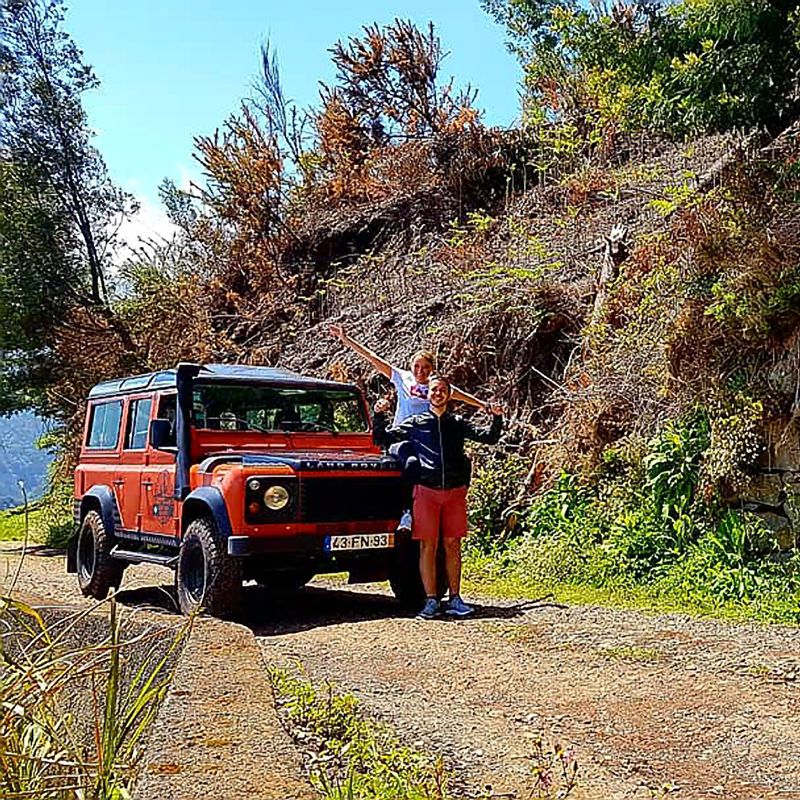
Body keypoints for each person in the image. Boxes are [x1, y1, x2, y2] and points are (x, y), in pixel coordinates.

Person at [329, 324, 487, 529]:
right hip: (401, 437)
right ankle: (406, 513)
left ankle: (451, 506)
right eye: (417, 366)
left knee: (458, 462)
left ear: (432, 369)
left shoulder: (435, 387)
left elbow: (464, 397)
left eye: (426, 367)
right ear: (411, 366)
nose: (421, 371)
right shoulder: (402, 377)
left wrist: (486, 406)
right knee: (412, 464)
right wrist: (346, 339)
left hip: (426, 440)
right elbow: (373, 358)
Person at [373, 374, 503, 619]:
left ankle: (455, 598)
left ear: (449, 394)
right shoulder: (417, 422)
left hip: (453, 492)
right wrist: (379, 414)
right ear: (427, 394)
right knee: (427, 546)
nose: (437, 394)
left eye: (442, 390)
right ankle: (431, 600)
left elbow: (489, 437)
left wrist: (497, 417)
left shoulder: (457, 422)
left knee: (453, 545)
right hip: (426, 492)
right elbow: (383, 438)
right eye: (433, 390)